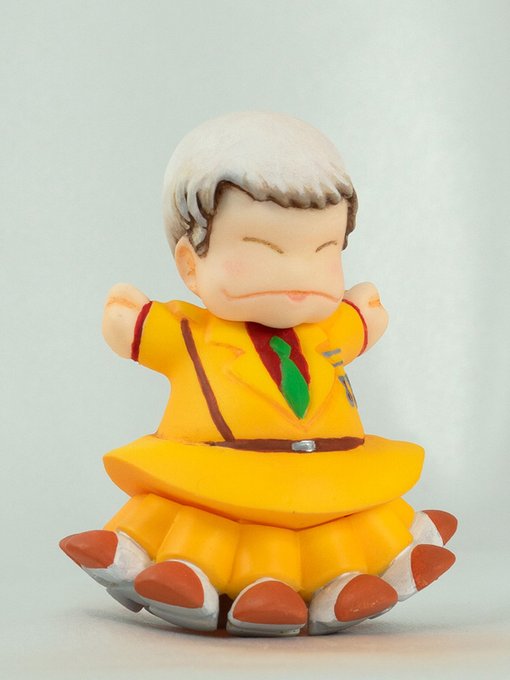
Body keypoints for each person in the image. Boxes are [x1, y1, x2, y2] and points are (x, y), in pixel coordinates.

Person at [60, 112, 457, 636]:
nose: (298, 274)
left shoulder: (329, 329)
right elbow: (133, 326)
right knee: (209, 529)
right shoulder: (189, 334)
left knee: (347, 528)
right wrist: (129, 320)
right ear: (191, 264)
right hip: (218, 476)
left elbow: (362, 319)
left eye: (324, 251)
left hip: (331, 472)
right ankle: (202, 579)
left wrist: (365, 314)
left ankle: (345, 582)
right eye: (264, 250)